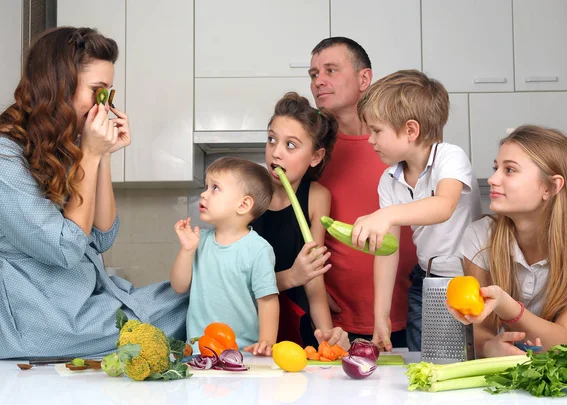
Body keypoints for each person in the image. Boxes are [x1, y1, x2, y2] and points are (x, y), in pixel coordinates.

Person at [0, 27, 187, 359]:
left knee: (191, 296)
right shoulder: (5, 158)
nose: (105, 104)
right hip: (43, 321)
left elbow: (101, 236)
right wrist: (89, 153)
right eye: (98, 92)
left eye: (109, 93)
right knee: (182, 311)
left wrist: (103, 155)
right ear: (60, 86)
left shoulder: (60, 144)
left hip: (85, 300)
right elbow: (67, 247)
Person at [353, 69, 482, 351]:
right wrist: (381, 316)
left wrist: (386, 215)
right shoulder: (389, 179)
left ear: (410, 130)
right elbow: (387, 251)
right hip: (427, 282)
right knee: (425, 364)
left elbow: (444, 206)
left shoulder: (449, 157)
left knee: (474, 356)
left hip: (473, 280)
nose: (370, 140)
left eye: (376, 131)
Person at [447, 125, 567, 357]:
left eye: (509, 170)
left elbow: (566, 344)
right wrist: (489, 347)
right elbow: (479, 328)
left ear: (551, 186)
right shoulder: (480, 237)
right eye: (496, 168)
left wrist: (506, 306)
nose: (492, 179)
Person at [308, 37, 417, 348]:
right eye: (314, 74)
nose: (319, 81)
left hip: (409, 312)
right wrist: (312, 288)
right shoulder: (313, 150)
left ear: (364, 79)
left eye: (331, 70)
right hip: (337, 322)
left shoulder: (401, 142)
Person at [252, 92, 349, 350]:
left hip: (298, 326)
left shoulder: (317, 196)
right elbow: (235, 283)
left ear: (315, 157)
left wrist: (327, 336)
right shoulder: (248, 192)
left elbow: (313, 277)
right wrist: (291, 276)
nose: (276, 152)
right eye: (271, 139)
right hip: (252, 328)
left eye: (290, 145)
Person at [170, 157, 280, 356]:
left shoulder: (258, 249)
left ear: (243, 204)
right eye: (206, 186)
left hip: (243, 355)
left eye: (215, 188)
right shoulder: (198, 241)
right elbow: (178, 287)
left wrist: (267, 342)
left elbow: (268, 301)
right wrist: (186, 250)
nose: (203, 194)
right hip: (198, 353)